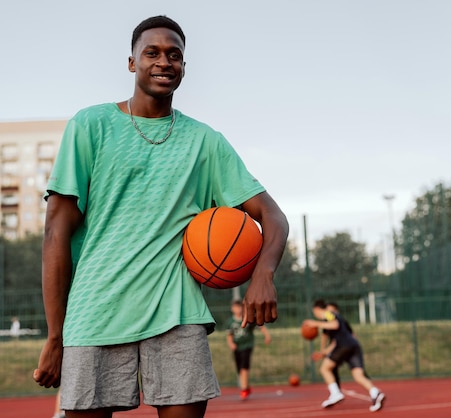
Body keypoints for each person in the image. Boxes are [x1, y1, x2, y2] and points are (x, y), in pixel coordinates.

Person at [33, 15, 289, 418]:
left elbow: (273, 217)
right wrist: (55, 334)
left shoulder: (205, 142)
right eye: (151, 52)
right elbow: (55, 234)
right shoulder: (91, 126)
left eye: (175, 55)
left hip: (177, 315)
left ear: (184, 67)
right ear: (132, 62)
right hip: (94, 311)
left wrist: (264, 273)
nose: (164, 62)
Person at [303, 300, 385, 412]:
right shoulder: (329, 320)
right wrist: (323, 353)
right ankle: (375, 393)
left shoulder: (328, 314)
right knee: (358, 375)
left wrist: (315, 323)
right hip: (353, 346)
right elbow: (334, 341)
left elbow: (334, 325)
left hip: (344, 346)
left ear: (317, 309)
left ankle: (336, 393)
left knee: (325, 369)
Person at [226, 300, 272, 400]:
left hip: (247, 345)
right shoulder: (230, 322)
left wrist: (267, 336)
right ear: (232, 309)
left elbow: (261, 326)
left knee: (244, 367)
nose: (238, 309)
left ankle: (244, 389)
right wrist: (231, 344)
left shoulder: (248, 318)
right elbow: (229, 336)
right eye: (236, 307)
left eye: (240, 307)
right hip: (237, 347)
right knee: (240, 369)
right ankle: (246, 387)